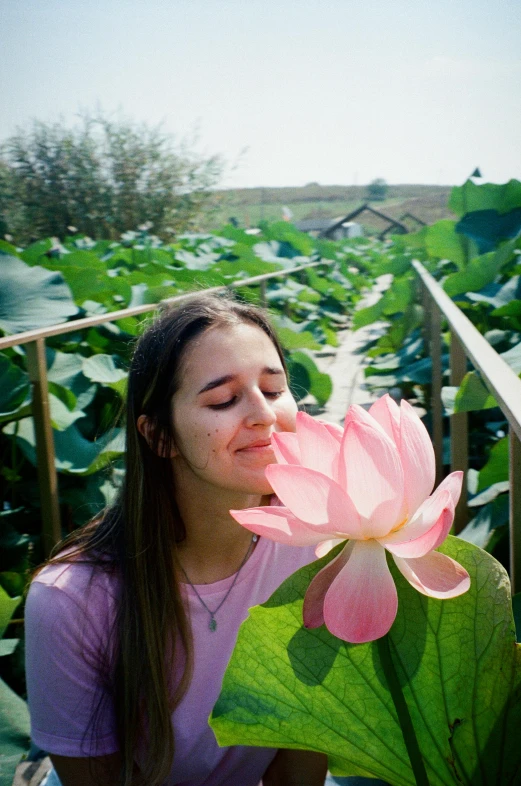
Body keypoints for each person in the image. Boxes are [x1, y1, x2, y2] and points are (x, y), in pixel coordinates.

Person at [25, 294, 329, 786]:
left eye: (274, 390)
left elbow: (301, 753)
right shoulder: (70, 602)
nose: (265, 415)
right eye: (224, 400)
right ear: (159, 436)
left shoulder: (316, 540)